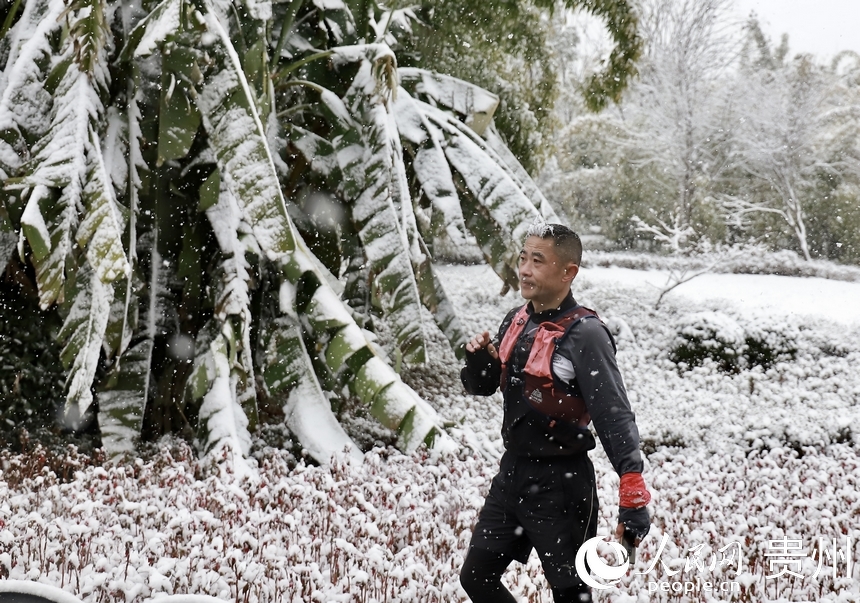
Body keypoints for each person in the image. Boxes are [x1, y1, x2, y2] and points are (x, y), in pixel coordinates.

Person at [458, 222, 651, 603]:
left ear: (568, 272)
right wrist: (480, 362)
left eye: (537, 261)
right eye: (523, 258)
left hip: (562, 484)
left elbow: (613, 414)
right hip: (512, 473)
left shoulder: (586, 333)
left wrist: (632, 493)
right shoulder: (517, 320)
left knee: (571, 596)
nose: (525, 269)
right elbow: (482, 385)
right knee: (477, 577)